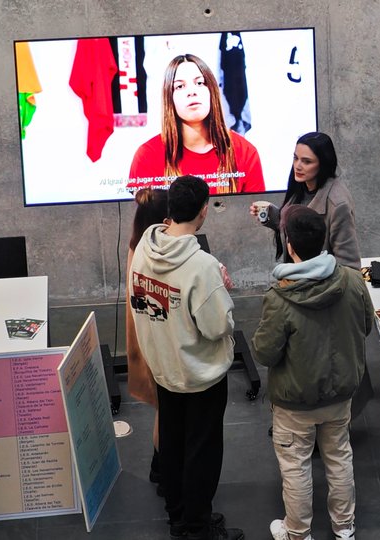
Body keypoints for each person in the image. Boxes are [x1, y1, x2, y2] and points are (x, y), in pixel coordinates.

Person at [129, 175, 243, 540]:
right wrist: (220, 291)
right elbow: (217, 326)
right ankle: (198, 527)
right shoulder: (202, 266)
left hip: (163, 366)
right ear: (203, 211)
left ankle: (178, 517)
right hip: (199, 375)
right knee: (201, 453)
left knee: (173, 444)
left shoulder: (144, 248)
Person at [252, 208, 373, 540]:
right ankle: (344, 528)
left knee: (296, 466)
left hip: (295, 402)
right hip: (341, 394)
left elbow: (264, 353)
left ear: (290, 245)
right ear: (323, 241)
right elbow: (366, 326)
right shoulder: (352, 280)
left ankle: (298, 533)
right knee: (339, 457)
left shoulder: (279, 296)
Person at [129, 54, 265, 195]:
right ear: (169, 98)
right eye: (180, 86)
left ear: (212, 90)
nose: (192, 92)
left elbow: (254, 207)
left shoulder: (245, 152)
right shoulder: (147, 156)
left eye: (199, 83)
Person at [249, 132, 360, 269]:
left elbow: (349, 266)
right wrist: (272, 215)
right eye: (295, 158)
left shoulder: (338, 204)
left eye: (307, 161)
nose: (298, 166)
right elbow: (300, 231)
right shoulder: (301, 185)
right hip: (296, 276)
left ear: (323, 163)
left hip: (317, 281)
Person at [125, 188, 169, 496]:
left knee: (163, 411)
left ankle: (160, 466)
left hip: (143, 335)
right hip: (155, 341)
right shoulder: (154, 255)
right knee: (167, 413)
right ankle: (164, 471)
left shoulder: (137, 245)